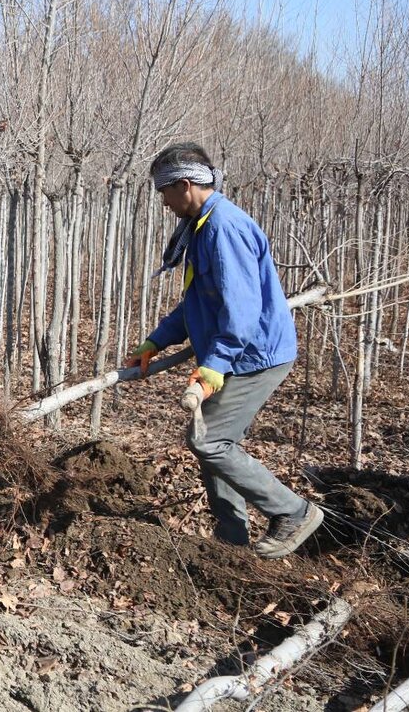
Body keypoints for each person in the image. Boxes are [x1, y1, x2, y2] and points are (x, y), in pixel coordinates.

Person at [123, 142, 323, 559]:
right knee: (213, 438)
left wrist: (215, 365)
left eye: (164, 193)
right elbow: (200, 300)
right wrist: (156, 340)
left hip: (254, 354)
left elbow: (242, 310)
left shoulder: (222, 228)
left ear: (184, 184)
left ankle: (293, 512)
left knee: (210, 440)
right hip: (236, 349)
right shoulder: (202, 226)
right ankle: (232, 542)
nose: (163, 203)